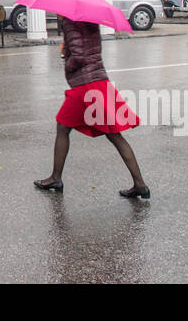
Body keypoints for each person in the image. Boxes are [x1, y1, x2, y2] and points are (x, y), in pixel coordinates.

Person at [34, 16, 150, 199]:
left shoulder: (71, 22)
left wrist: (66, 58)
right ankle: (140, 184)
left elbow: (79, 57)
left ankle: (55, 178)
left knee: (63, 127)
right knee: (114, 134)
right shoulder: (92, 20)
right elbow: (92, 50)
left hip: (85, 85)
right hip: (99, 81)